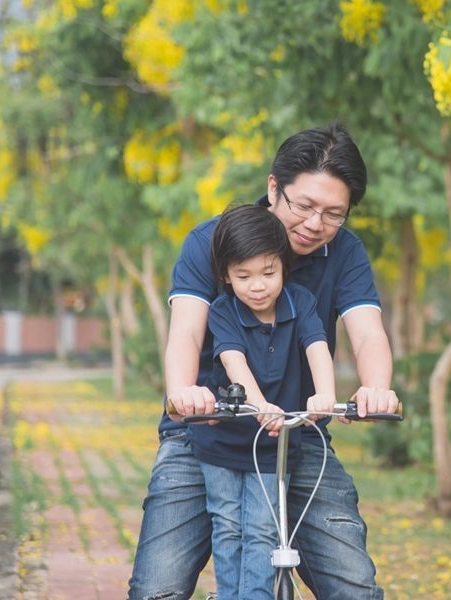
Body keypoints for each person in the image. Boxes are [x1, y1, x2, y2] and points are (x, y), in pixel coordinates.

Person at [128, 124, 399, 600]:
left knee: (354, 586)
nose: (316, 224)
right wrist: (182, 393)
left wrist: (376, 386)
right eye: (305, 206)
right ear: (274, 187)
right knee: (157, 588)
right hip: (204, 431)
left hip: (295, 435)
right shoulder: (212, 240)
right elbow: (187, 331)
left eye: (334, 214)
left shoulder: (345, 252)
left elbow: (367, 331)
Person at [193, 203, 337, 599]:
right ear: (226, 275)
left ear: (283, 266)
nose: (258, 286)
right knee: (227, 527)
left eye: (268, 273)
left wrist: (324, 393)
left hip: (274, 446)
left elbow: (317, 347)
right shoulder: (223, 310)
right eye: (244, 276)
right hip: (222, 443)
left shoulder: (301, 302)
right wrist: (260, 406)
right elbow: (232, 361)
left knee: (262, 530)